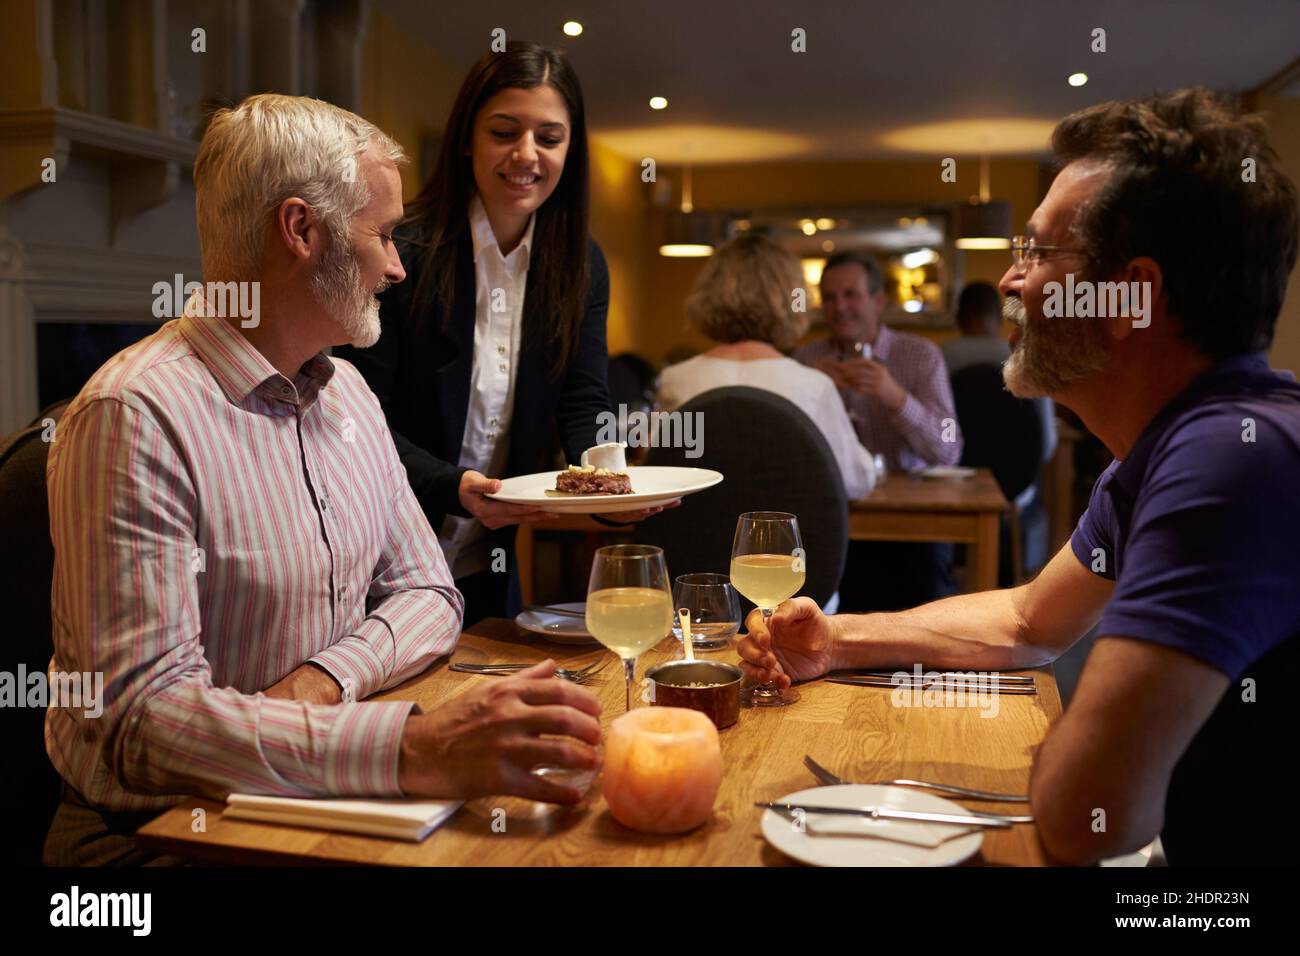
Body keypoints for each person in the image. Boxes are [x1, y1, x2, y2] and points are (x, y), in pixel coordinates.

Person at [737, 88, 1300, 866]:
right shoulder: (1175, 447)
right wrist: (835, 640)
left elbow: (1082, 816)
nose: (1008, 281)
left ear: (1128, 297)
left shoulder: (1230, 459)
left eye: (1036, 254)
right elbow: (1032, 622)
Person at [42, 94, 602, 866]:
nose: (398, 266)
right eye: (381, 235)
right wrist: (409, 746)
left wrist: (321, 681)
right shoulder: (134, 415)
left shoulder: (348, 393)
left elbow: (431, 594)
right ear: (301, 231)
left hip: (307, 798)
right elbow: (146, 725)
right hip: (156, 835)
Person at [335, 43, 667, 625]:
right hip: (374, 554)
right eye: (504, 131)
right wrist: (451, 485)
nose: (526, 154)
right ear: (468, 137)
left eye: (549, 137)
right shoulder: (401, 250)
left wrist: (613, 485)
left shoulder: (580, 265)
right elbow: (358, 417)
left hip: (487, 561)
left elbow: (583, 402)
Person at [797, 251, 962, 610]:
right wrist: (816, 394)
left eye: (850, 295)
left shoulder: (920, 355)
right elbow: (790, 454)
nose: (839, 307)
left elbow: (949, 449)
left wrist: (897, 398)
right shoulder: (806, 362)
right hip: (835, 519)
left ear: (878, 300)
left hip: (914, 525)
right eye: (829, 297)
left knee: (922, 599)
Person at [658, 232, 877, 500]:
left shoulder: (674, 379)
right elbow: (856, 481)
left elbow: (658, 474)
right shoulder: (814, 386)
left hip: (690, 538)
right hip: (789, 539)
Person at [944, 281, 1058, 575]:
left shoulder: (940, 357)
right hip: (1014, 484)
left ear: (959, 319)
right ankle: (1022, 570)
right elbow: (1046, 445)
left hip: (952, 478)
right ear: (999, 317)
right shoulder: (1028, 359)